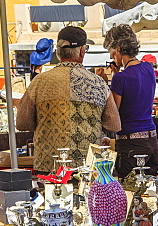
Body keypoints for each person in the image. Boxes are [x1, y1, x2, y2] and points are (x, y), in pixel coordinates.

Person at [16, 26, 120, 173]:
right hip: (86, 167)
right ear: (82, 51)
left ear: (58, 52)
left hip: (50, 166)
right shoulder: (98, 83)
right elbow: (114, 124)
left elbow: (22, 123)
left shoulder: (39, 82)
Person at [103, 24, 158, 178]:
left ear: (119, 49)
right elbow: (136, 90)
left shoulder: (120, 78)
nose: (111, 57)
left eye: (112, 53)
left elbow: (113, 112)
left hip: (130, 143)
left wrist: (105, 84)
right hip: (151, 138)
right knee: (150, 189)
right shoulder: (148, 68)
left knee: (129, 191)